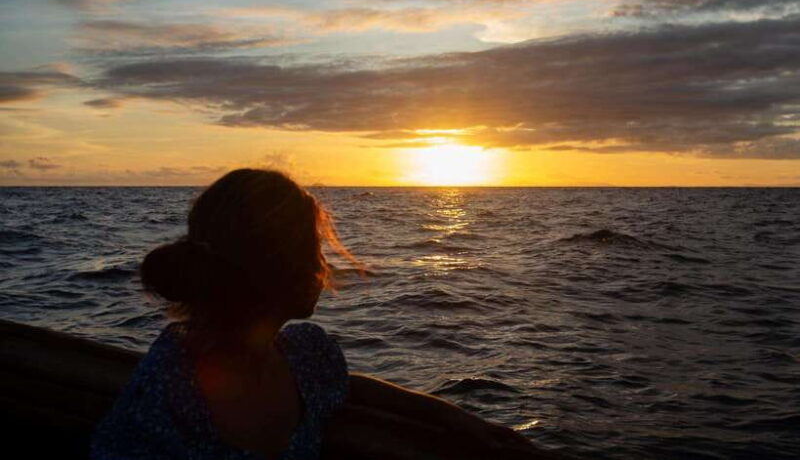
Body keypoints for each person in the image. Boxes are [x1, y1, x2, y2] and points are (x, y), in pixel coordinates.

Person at [91, 168, 558, 460]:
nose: (325, 266)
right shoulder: (169, 382)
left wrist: (455, 416)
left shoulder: (305, 356)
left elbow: (353, 386)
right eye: (315, 250)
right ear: (276, 268)